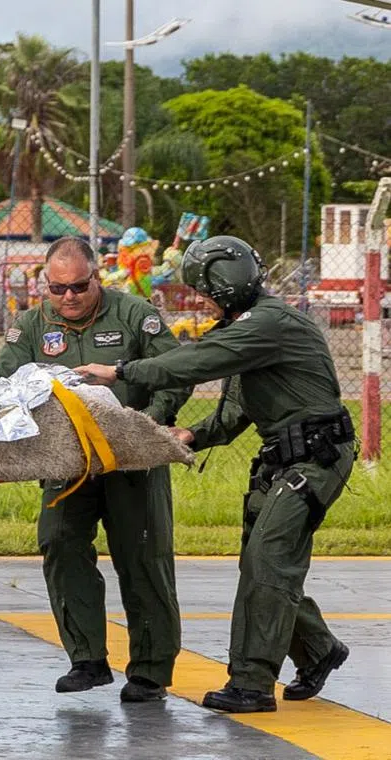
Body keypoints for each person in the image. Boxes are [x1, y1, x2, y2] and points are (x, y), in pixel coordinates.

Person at [76, 235, 355, 714]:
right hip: (284, 458)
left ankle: (251, 684)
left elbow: (196, 362)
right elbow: (236, 407)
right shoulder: (247, 328)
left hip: (315, 458)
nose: (198, 300)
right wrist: (194, 436)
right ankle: (318, 649)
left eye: (203, 290)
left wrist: (122, 371)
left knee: (269, 563)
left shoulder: (267, 324)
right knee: (263, 566)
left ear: (226, 283)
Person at [0, 236, 188, 702]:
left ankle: (150, 670)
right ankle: (87, 659)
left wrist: (151, 423)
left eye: (79, 286)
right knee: (58, 541)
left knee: (143, 557)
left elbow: (176, 371)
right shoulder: (32, 324)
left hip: (131, 458)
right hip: (67, 460)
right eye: (57, 289)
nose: (69, 297)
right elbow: (3, 384)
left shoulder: (136, 315)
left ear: (96, 278)